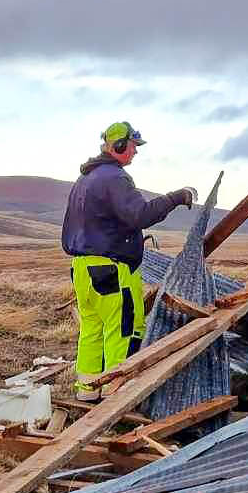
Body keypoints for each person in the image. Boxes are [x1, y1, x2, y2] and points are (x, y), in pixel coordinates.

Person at [61, 122, 196, 400]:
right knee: (121, 329)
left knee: (92, 330)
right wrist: (176, 197)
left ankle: (87, 390)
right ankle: (115, 396)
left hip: (83, 269)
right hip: (110, 270)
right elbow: (140, 215)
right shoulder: (114, 178)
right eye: (133, 145)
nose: (135, 151)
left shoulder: (84, 180)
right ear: (118, 145)